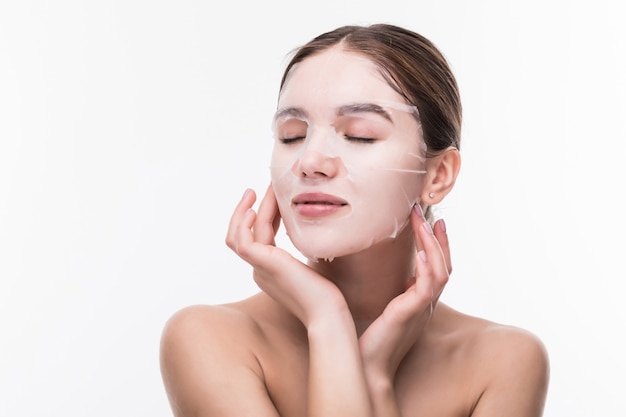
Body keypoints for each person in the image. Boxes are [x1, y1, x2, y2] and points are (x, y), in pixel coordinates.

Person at [159, 23, 550, 417]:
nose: (309, 161)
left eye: (360, 136)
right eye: (293, 135)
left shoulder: (504, 363)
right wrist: (327, 318)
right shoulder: (208, 338)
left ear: (437, 175)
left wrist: (374, 375)